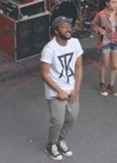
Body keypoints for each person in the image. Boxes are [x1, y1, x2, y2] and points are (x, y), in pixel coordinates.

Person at [40, 16, 84, 161]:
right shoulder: (49, 49)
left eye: (69, 26)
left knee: (72, 117)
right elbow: (44, 74)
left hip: (72, 89)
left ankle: (61, 140)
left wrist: (76, 90)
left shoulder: (75, 43)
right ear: (56, 31)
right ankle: (51, 144)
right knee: (58, 121)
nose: (68, 29)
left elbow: (79, 67)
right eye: (64, 27)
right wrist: (59, 91)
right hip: (55, 92)